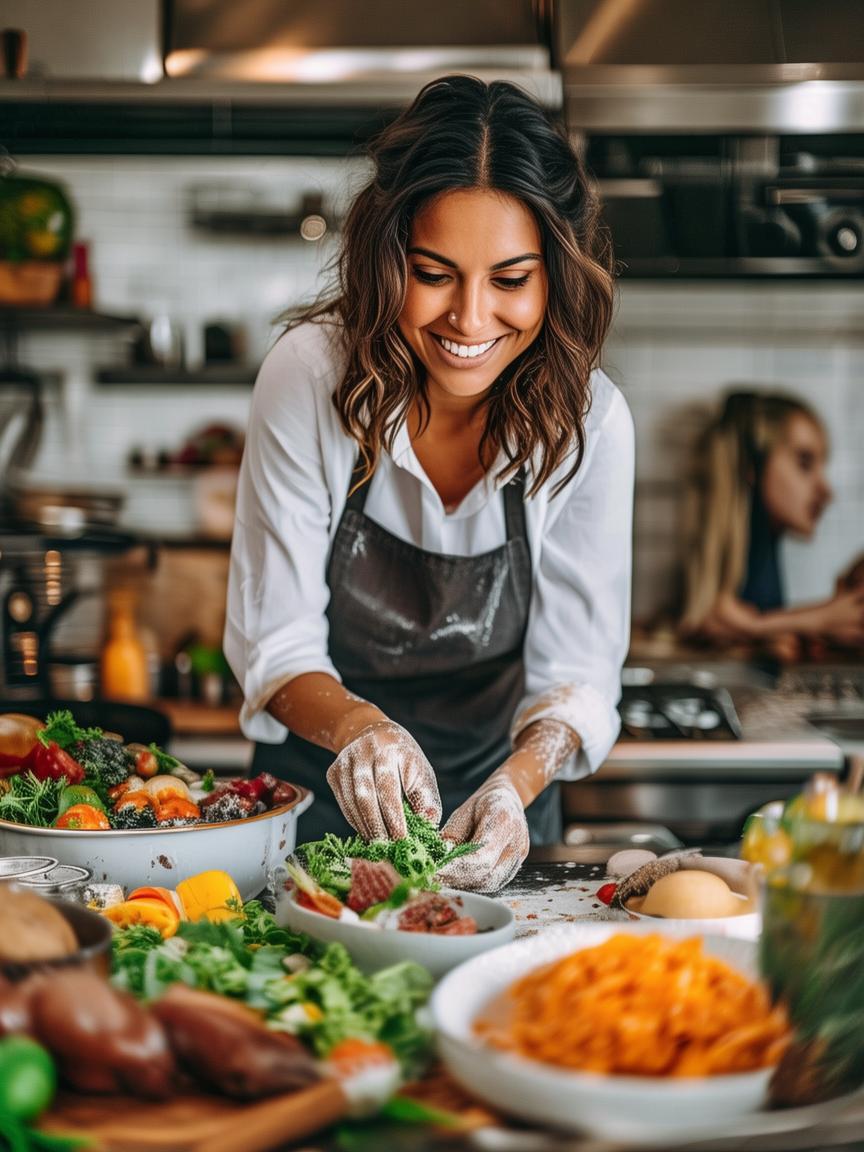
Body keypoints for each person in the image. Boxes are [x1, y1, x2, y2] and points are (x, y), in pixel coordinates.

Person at [224, 75, 634, 893]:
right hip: (317, 804)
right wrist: (364, 733)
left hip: (498, 814)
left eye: (510, 280)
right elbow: (277, 644)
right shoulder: (310, 377)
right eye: (434, 273)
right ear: (388, 260)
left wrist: (513, 788)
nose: (470, 320)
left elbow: (576, 676)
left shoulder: (590, 423)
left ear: (554, 277)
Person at [680, 390, 864, 655]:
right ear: (752, 466)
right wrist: (819, 619)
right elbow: (712, 616)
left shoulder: (764, 555)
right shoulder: (738, 568)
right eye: (804, 463)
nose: (826, 491)